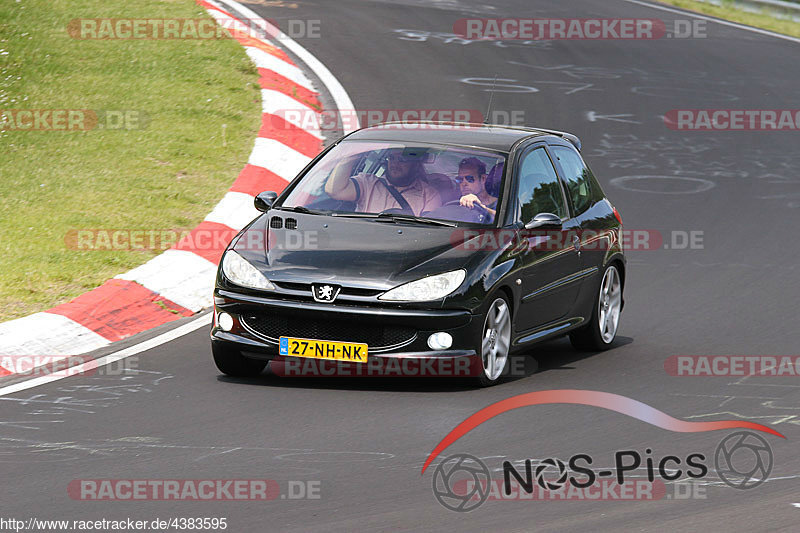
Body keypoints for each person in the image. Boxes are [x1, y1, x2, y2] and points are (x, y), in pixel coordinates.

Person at [324, 148, 441, 216]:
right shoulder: (368, 182)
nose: (395, 163)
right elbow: (334, 191)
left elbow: (425, 233)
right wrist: (355, 154)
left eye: (402, 160)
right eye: (392, 158)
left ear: (415, 165)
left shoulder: (429, 195)